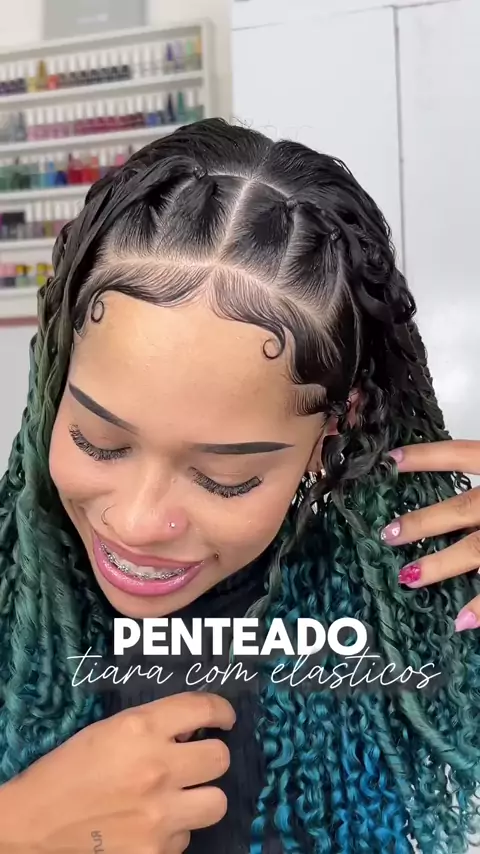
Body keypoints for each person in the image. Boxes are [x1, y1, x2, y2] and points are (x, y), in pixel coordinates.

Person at [0, 118, 479, 854]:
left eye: (224, 478)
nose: (137, 521)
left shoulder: (404, 623)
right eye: (100, 441)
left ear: (331, 433)